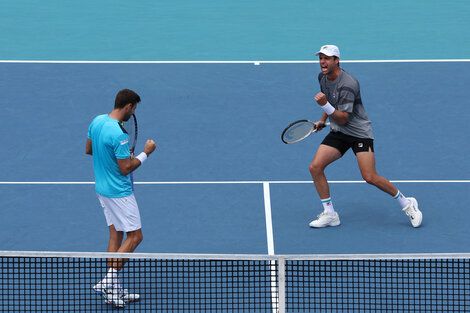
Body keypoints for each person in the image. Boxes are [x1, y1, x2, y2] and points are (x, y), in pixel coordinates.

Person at [308, 45, 422, 228]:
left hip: (359, 134)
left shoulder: (349, 83)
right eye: (320, 58)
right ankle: (330, 214)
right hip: (339, 132)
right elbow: (330, 102)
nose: (322, 61)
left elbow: (343, 118)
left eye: (327, 58)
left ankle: (408, 203)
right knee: (315, 167)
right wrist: (322, 120)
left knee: (369, 176)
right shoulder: (322, 78)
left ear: (337, 60)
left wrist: (324, 107)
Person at [86, 89, 156, 308]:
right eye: (134, 109)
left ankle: (113, 288)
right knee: (136, 236)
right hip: (119, 193)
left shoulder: (97, 121)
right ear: (129, 107)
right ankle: (108, 282)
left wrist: (119, 157)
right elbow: (125, 169)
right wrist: (146, 153)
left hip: (102, 189)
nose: (134, 112)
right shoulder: (119, 134)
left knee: (115, 233)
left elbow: (90, 149)